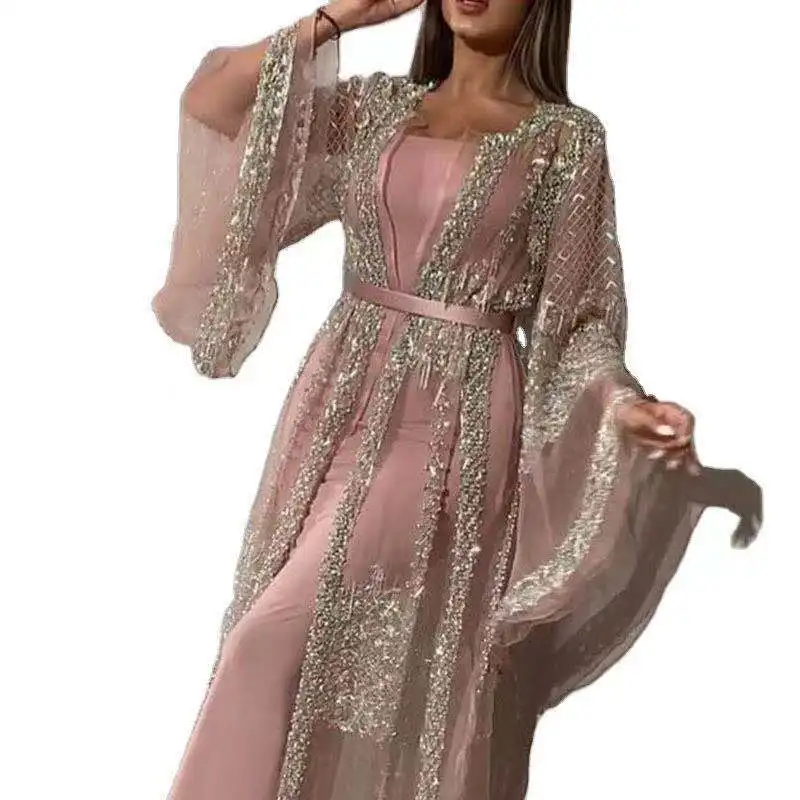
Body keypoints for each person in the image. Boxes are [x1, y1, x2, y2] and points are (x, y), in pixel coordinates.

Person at [151, 1, 762, 798]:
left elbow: (577, 320)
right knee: (315, 666)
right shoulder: (377, 109)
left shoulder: (564, 142)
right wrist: (340, 17)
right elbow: (214, 102)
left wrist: (622, 406)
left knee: (271, 642)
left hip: (453, 426)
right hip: (336, 401)